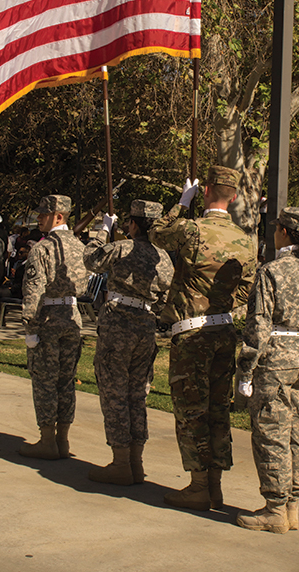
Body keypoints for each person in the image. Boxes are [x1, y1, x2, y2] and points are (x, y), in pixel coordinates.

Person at [148, 166, 257, 510]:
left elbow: (156, 233)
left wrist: (182, 201)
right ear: (235, 196)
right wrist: (220, 302)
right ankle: (215, 485)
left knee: (191, 410)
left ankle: (197, 486)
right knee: (217, 410)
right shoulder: (246, 240)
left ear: (206, 190)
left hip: (193, 332)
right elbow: (246, 289)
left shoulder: (192, 230)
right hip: (224, 330)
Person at [236, 207, 299, 534]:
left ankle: (274, 509)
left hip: (277, 358)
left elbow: (258, 325)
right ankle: (292, 507)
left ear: (285, 232)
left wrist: (246, 370)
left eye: (277, 227)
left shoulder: (271, 271)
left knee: (272, 432)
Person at [83, 200, 174, 485]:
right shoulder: (164, 257)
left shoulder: (122, 247)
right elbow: (165, 293)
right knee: (137, 395)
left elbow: (91, 259)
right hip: (145, 324)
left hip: (119, 321)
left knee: (114, 393)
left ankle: (121, 461)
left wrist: (102, 231)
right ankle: (136, 462)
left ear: (133, 224)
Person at [19, 194, 89, 460]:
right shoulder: (80, 247)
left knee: (45, 380)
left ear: (58, 216)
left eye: (43, 214)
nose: (39, 218)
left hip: (47, 317)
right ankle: (63, 440)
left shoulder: (42, 248)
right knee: (66, 380)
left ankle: (47, 440)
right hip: (72, 315)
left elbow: (33, 291)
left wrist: (30, 328)